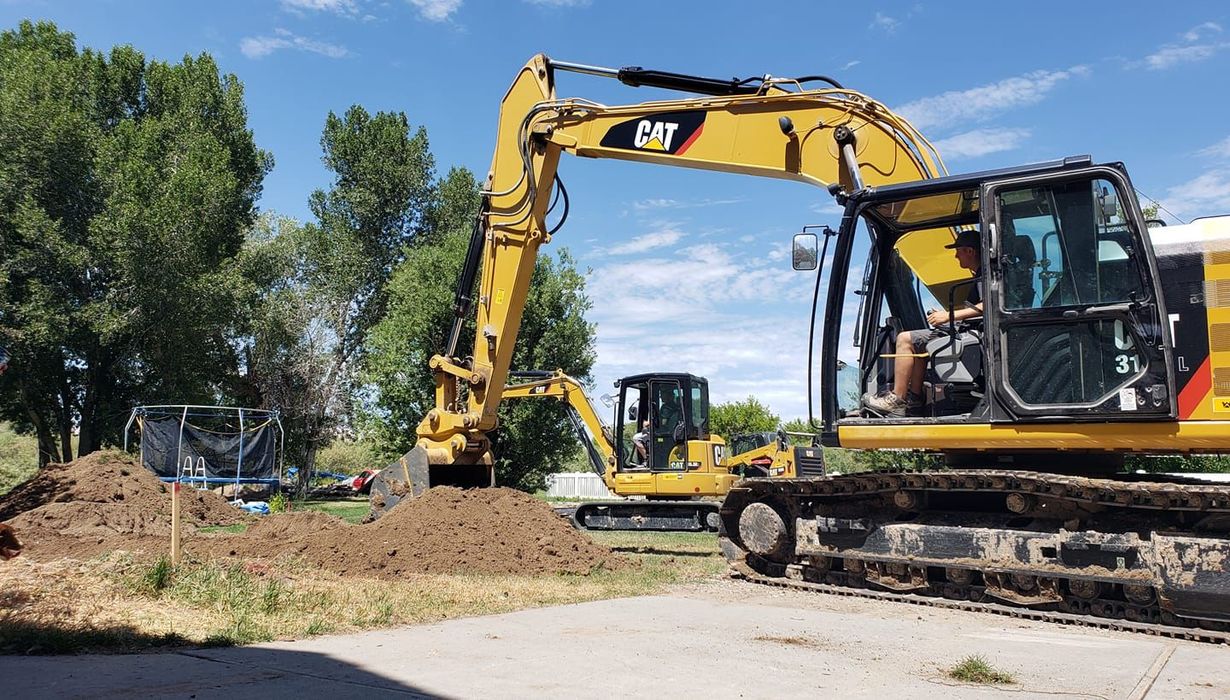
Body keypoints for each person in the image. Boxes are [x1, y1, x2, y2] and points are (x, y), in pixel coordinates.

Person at [863, 229, 983, 417]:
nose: (955, 255)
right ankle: (914, 401)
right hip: (971, 330)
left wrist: (948, 316)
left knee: (904, 339)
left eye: (958, 250)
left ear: (970, 251)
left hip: (973, 333)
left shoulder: (985, 275)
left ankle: (897, 399)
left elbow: (986, 306)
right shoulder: (982, 274)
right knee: (920, 345)